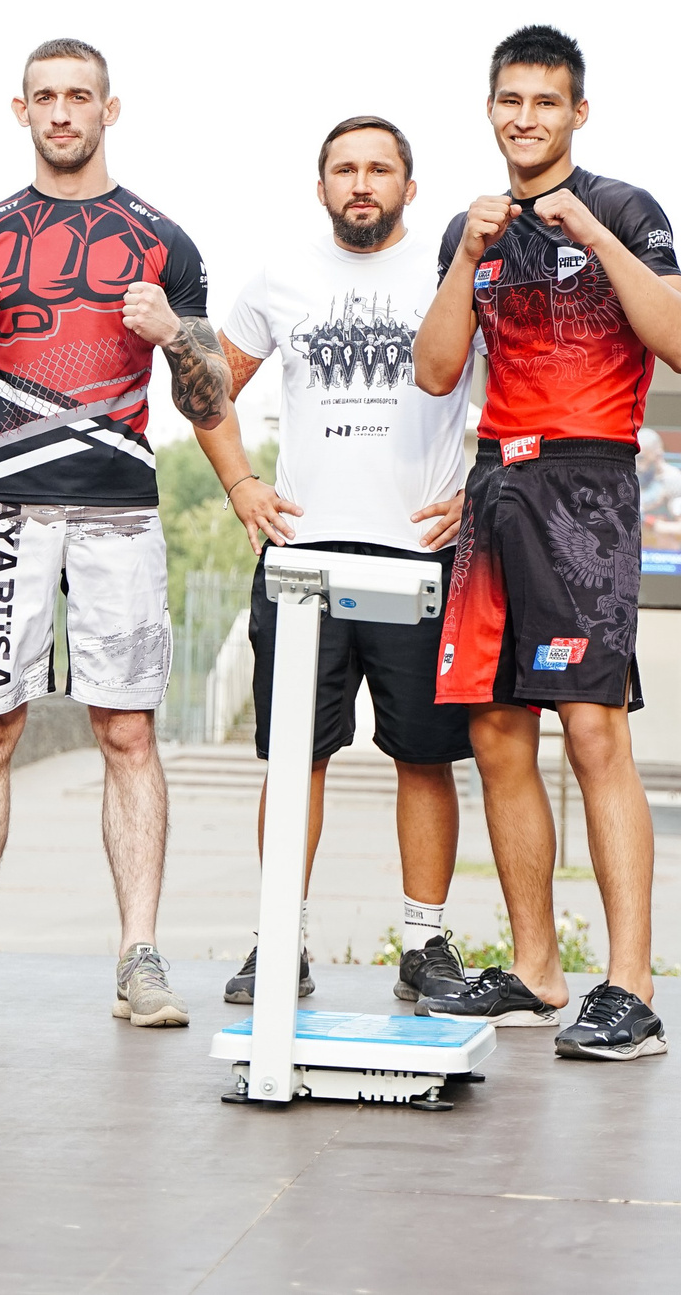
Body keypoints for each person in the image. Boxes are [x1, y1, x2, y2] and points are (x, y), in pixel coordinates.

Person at [0, 38, 229, 1028]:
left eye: (81, 95)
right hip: (0, 504)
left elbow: (208, 393)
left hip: (119, 505)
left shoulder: (164, 240)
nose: (64, 111)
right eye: (46, 96)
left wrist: (175, 335)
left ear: (109, 110)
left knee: (128, 729)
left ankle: (139, 957)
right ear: (22, 110)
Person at [411, 24, 681, 1061]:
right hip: (497, 485)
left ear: (578, 112)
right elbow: (436, 372)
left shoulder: (621, 207)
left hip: (588, 486)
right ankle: (538, 972)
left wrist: (591, 231)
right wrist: (465, 255)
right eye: (510, 100)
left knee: (591, 731)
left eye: (546, 102)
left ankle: (631, 987)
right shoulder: (472, 229)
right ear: (490, 109)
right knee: (497, 734)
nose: (525, 118)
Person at [195, 115, 477, 1008]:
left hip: (420, 552)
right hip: (302, 554)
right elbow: (207, 388)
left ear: (409, 186)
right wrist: (241, 484)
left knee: (422, 757)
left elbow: (517, 386)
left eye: (379, 169)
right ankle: (281, 936)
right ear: (320, 187)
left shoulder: (452, 273)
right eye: (345, 169)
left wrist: (483, 487)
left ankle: (424, 946)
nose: (362, 183)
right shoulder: (281, 276)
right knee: (295, 758)